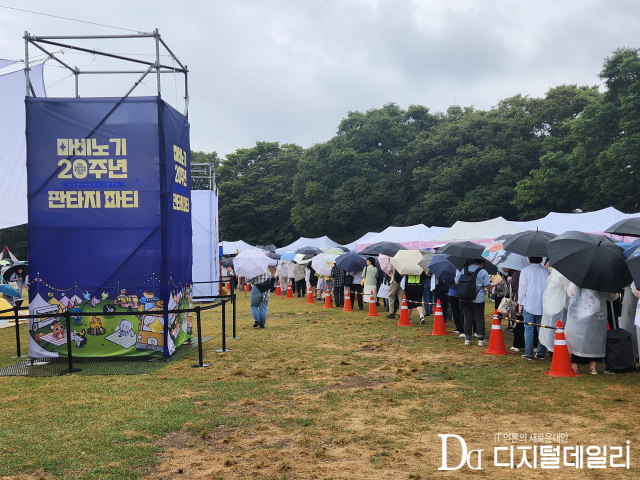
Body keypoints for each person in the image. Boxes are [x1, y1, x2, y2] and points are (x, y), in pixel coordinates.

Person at [566, 288, 618, 374]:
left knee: (579, 336)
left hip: (581, 311)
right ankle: (593, 366)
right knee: (596, 337)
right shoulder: (605, 281)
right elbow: (612, 296)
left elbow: (571, 291)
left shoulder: (581, 277)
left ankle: (575, 364)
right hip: (599, 312)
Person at [456, 259, 501, 347]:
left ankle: (467, 339)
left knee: (467, 318)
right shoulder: (482, 271)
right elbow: (487, 285)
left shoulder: (464, 270)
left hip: (464, 298)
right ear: (482, 263)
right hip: (478, 299)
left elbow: (456, 281)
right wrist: (496, 283)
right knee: (479, 318)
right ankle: (481, 340)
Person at [517, 257, 549, 360]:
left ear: (529, 258)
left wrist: (519, 303)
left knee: (528, 329)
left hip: (529, 302)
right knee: (542, 329)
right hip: (542, 303)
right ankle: (541, 353)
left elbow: (522, 289)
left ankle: (529, 353)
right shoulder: (545, 271)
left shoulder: (525, 271)